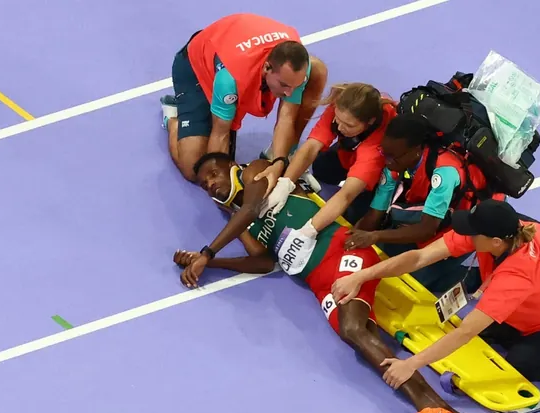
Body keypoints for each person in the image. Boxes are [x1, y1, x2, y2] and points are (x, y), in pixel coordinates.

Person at [174, 152, 484, 413]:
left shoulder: (255, 171)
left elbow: (252, 208)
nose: (211, 184)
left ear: (232, 166)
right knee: (363, 341)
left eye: (214, 174)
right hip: (320, 282)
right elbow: (263, 261)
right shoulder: (238, 219)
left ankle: (443, 412)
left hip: (340, 252)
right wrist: (211, 264)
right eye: (205, 184)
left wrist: (207, 253)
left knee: (353, 330)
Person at [332, 199, 540, 389]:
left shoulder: (517, 275)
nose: (465, 233)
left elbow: (465, 332)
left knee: (520, 362)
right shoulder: (502, 232)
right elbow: (420, 258)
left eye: (473, 232)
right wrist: (361, 276)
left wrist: (410, 365)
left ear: (494, 242)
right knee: (496, 329)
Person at [160, 13, 328, 182]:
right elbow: (221, 133)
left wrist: (279, 162)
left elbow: (287, 117)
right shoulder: (230, 80)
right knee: (195, 169)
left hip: (231, 49)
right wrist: (224, 186)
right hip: (196, 67)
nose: (290, 93)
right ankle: (173, 117)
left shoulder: (295, 72)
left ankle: (285, 152)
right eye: (284, 85)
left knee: (317, 71)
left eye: (295, 86)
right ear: (267, 68)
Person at [345, 113, 503, 293]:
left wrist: (375, 236)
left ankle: (474, 277)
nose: (388, 162)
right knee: (366, 235)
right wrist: (353, 237)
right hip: (428, 213)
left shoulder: (444, 174)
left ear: (417, 150)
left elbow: (426, 230)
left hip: (466, 224)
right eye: (384, 153)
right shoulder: (394, 162)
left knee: (416, 280)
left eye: (394, 157)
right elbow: (375, 213)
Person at [256, 82, 394, 227]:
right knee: (322, 166)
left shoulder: (379, 141)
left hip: (378, 172)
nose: (340, 128)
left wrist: (309, 230)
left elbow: (346, 194)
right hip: (348, 152)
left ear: (369, 122)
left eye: (349, 125)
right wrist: (285, 183)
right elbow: (312, 146)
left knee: (351, 215)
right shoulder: (343, 103)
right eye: (338, 120)